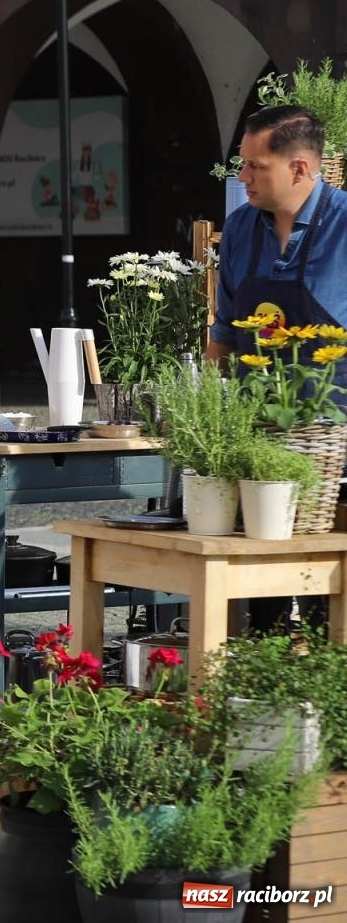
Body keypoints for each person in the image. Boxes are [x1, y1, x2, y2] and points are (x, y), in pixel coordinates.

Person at [208, 105, 347, 628]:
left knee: (323, 584)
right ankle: (258, 654)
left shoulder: (344, 226)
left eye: (255, 166)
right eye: (242, 165)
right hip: (256, 432)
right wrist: (211, 411)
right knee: (256, 584)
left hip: (334, 439)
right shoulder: (240, 228)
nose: (242, 177)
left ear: (300, 168)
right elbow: (224, 330)